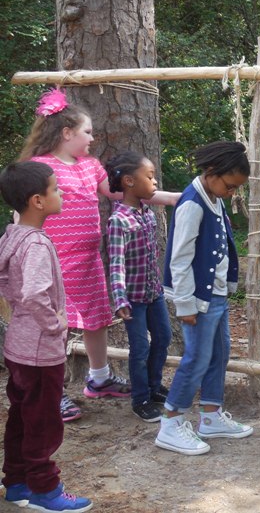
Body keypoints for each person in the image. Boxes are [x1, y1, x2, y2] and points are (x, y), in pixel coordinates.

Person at [19, 88, 179, 422]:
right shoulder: (39, 167)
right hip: (55, 262)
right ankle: (55, 391)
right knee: (55, 327)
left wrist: (181, 197)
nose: (93, 138)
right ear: (66, 133)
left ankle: (100, 377)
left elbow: (130, 191)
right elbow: (25, 212)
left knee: (96, 321)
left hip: (90, 260)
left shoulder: (90, 167)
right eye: (87, 132)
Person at [0, 161, 93, 512]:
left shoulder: (13, 235)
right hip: (40, 350)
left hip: (19, 346)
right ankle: (44, 489)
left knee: (23, 417)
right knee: (44, 422)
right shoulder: (36, 243)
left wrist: (24, 314)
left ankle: (17, 482)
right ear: (38, 201)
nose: (62, 193)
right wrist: (56, 326)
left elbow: (8, 284)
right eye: (56, 189)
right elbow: (35, 295)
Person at [155, 141, 254, 455]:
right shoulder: (192, 204)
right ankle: (170, 423)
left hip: (217, 295)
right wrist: (185, 305)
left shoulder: (214, 196)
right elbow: (179, 259)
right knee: (196, 359)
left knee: (219, 353)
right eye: (230, 185)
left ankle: (210, 416)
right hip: (198, 301)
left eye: (237, 188)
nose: (233, 193)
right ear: (212, 172)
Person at [105, 151, 172, 424]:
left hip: (154, 294)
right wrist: (120, 299)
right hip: (132, 299)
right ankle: (140, 399)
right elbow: (116, 263)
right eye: (150, 177)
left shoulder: (149, 215)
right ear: (130, 182)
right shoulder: (118, 221)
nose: (154, 182)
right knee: (140, 349)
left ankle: (154, 387)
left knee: (164, 338)